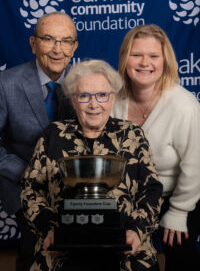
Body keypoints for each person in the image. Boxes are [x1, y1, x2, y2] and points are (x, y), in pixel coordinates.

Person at [20, 59, 163, 271]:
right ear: (73, 100)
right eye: (84, 96)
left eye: (102, 95)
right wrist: (50, 231)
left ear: (112, 97)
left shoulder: (132, 135)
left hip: (124, 246)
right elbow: (30, 189)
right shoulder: (54, 135)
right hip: (62, 247)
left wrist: (136, 231)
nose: (94, 104)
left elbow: (152, 190)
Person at [111, 24, 200, 271]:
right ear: (125, 58)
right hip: (129, 198)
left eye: (153, 56)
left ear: (165, 61)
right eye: (136, 54)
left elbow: (195, 166)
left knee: (181, 253)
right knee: (121, 255)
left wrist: (180, 211)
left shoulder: (184, 105)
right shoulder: (112, 99)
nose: (144, 63)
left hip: (178, 195)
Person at [0, 11, 78, 270]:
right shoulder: (6, 83)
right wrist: (23, 170)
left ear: (74, 46)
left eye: (66, 41)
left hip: (74, 188)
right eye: (48, 39)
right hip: (25, 187)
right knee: (34, 255)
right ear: (33, 44)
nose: (58, 49)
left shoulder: (85, 83)